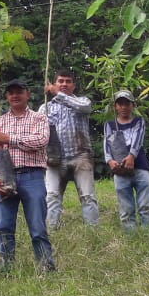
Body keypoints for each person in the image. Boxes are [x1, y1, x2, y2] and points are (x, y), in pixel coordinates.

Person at [0, 79, 55, 272]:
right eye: (11, 92)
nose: (15, 95)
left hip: (32, 176)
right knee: (3, 226)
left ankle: (45, 266)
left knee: (37, 226)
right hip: (3, 176)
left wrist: (10, 139)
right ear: (7, 96)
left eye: (19, 92)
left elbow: (41, 141)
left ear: (28, 94)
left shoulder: (39, 118)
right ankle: (6, 267)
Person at [40, 69, 98, 228]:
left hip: (81, 156)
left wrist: (59, 94)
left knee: (87, 196)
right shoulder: (44, 108)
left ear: (74, 85)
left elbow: (85, 108)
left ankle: (93, 233)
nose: (64, 84)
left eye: (68, 81)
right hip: (54, 159)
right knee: (52, 196)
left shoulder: (82, 101)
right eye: (60, 81)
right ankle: (51, 231)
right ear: (54, 83)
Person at [104, 90, 149, 231]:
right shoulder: (110, 125)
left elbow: (137, 140)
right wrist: (110, 161)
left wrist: (131, 156)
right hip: (119, 170)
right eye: (120, 104)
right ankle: (131, 238)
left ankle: (148, 234)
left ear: (133, 105)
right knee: (125, 207)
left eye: (127, 104)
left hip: (140, 167)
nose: (124, 107)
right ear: (115, 106)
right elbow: (106, 144)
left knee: (146, 204)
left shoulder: (139, 121)